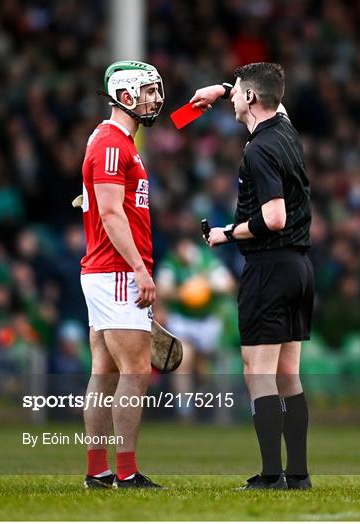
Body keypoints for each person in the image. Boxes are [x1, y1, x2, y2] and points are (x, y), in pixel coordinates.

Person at [190, 62, 314, 490]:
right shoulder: (286, 130)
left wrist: (227, 233)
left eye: (239, 91)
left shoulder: (258, 149)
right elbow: (271, 103)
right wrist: (224, 89)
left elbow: (274, 217)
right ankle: (297, 475)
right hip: (300, 269)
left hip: (270, 267)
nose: (235, 98)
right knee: (288, 374)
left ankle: (270, 475)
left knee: (256, 371)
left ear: (251, 99)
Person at [80, 60, 164, 489]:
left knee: (105, 372)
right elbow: (112, 214)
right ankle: (126, 473)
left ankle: (98, 470)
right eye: (147, 91)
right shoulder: (113, 144)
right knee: (134, 371)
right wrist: (139, 270)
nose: (155, 98)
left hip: (103, 270)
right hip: (116, 271)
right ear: (125, 96)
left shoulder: (111, 140)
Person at [156, 236, 235, 421]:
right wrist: (183, 292)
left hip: (207, 321)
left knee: (213, 366)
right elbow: (162, 290)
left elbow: (229, 285)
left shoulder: (207, 261)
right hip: (182, 320)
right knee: (183, 361)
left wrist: (206, 284)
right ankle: (186, 413)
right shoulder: (171, 263)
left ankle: (222, 413)